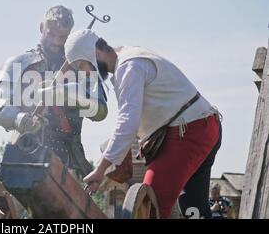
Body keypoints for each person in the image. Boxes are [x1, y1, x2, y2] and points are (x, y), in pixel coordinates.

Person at [65, 29, 222, 219]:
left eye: (82, 66)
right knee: (194, 211)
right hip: (202, 126)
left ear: (94, 54)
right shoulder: (128, 58)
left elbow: (127, 123)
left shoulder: (129, 67)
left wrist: (100, 169)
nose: (86, 73)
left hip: (189, 132)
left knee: (147, 206)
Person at [0, 6, 108, 177]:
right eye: (51, 34)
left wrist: (68, 95)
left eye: (63, 37)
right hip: (24, 153)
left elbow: (100, 111)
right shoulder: (18, 63)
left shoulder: (82, 67)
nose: (57, 42)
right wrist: (18, 119)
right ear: (41, 28)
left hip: (69, 158)